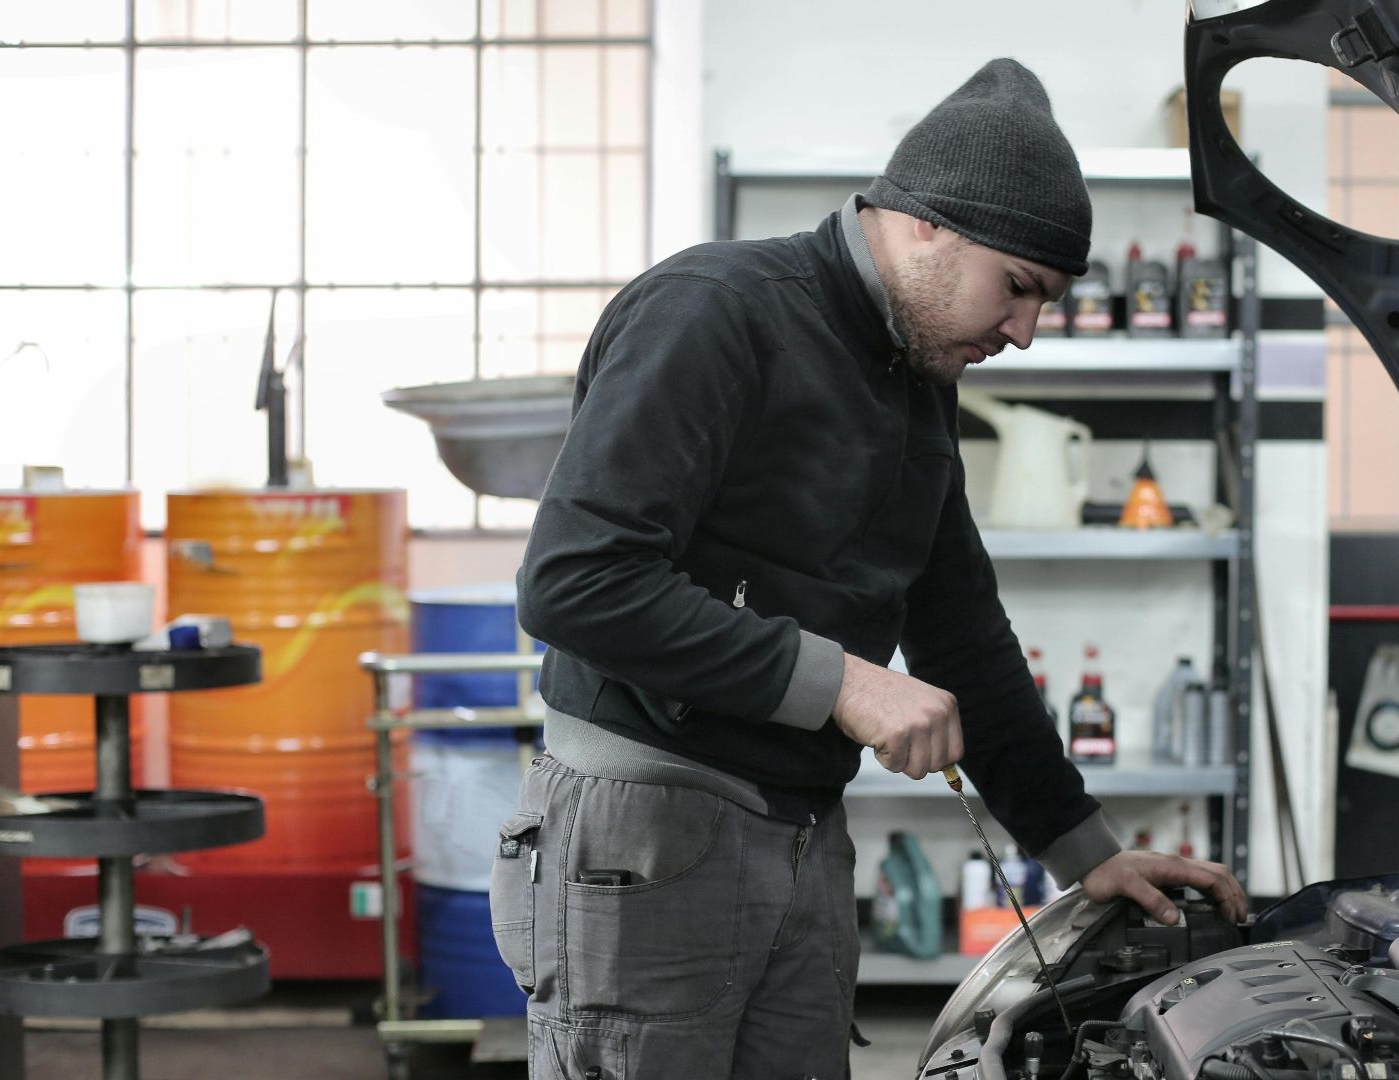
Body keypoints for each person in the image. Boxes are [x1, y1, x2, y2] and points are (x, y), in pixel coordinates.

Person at [499, 57, 1247, 1080]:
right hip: (650, 837)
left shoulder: (915, 370)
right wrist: (844, 681)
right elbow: (574, 582)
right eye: (1019, 289)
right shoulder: (717, 312)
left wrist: (1086, 854)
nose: (1024, 332)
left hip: (802, 830)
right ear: (926, 222)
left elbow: (961, 631)